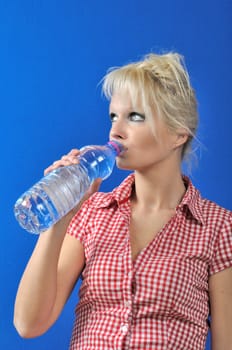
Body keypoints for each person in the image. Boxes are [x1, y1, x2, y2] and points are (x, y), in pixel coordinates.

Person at [14, 52, 232, 349]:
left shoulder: (219, 227)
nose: (115, 130)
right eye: (114, 116)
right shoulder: (92, 213)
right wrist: (60, 214)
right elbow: (28, 324)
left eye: (135, 117)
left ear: (178, 134)